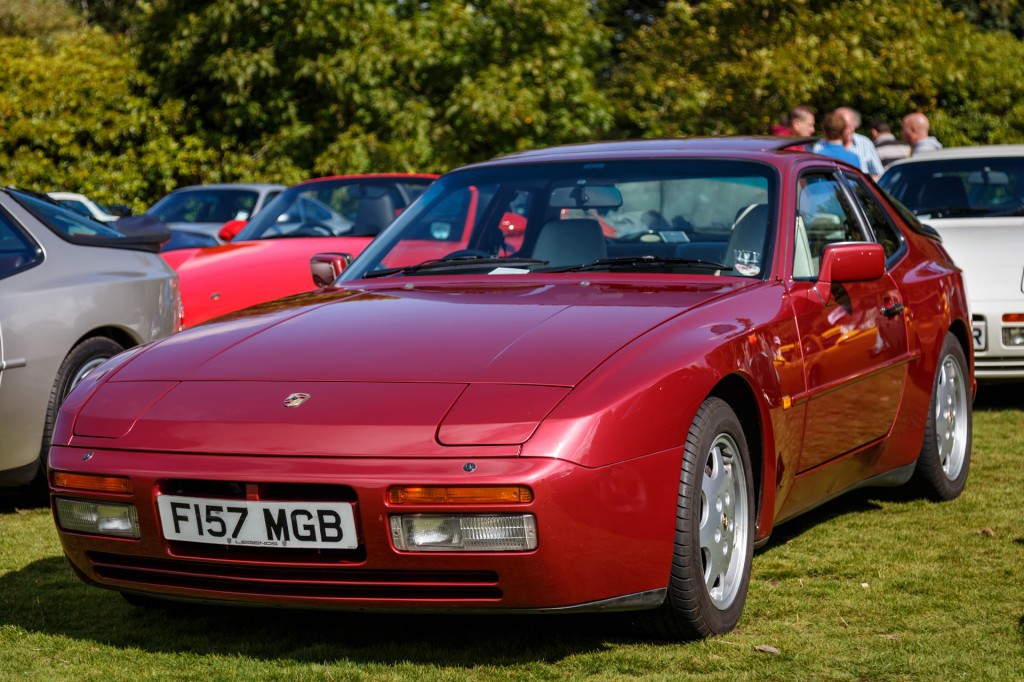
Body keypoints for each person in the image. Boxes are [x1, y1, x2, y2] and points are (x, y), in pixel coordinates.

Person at [812, 107, 884, 177]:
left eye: (851, 126)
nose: (849, 130)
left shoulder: (865, 143)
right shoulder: (820, 146)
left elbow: (878, 174)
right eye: (846, 127)